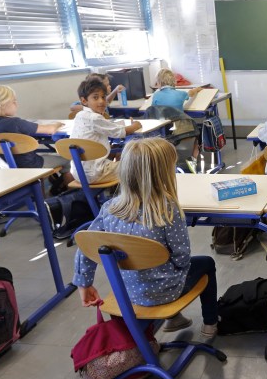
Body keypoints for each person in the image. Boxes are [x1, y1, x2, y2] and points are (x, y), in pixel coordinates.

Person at [72, 137, 219, 340]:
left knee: (160, 267)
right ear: (163, 174)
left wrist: (84, 283)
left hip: (128, 292)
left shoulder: (109, 209)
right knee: (206, 263)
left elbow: (86, 246)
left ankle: (175, 319)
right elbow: (182, 257)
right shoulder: (167, 210)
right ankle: (211, 323)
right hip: (166, 292)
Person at [0, 84, 73, 195]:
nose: (16, 104)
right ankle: (73, 196)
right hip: (31, 166)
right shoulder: (16, 123)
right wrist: (57, 124)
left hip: (7, 166)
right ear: (1, 104)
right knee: (67, 160)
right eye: (13, 101)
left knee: (41, 158)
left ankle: (42, 198)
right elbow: (50, 130)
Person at [70, 78, 141, 184]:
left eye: (103, 97)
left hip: (79, 172)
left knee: (120, 157)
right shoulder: (95, 118)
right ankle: (128, 198)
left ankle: (119, 193)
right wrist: (136, 125)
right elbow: (121, 132)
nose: (101, 101)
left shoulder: (80, 115)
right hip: (96, 173)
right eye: (95, 97)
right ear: (84, 101)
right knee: (140, 166)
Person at [150, 69, 205, 173]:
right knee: (199, 130)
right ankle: (193, 158)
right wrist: (197, 89)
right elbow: (191, 93)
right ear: (173, 81)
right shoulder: (180, 94)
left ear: (160, 82)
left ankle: (167, 161)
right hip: (178, 130)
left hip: (162, 130)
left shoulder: (156, 95)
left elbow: (153, 109)